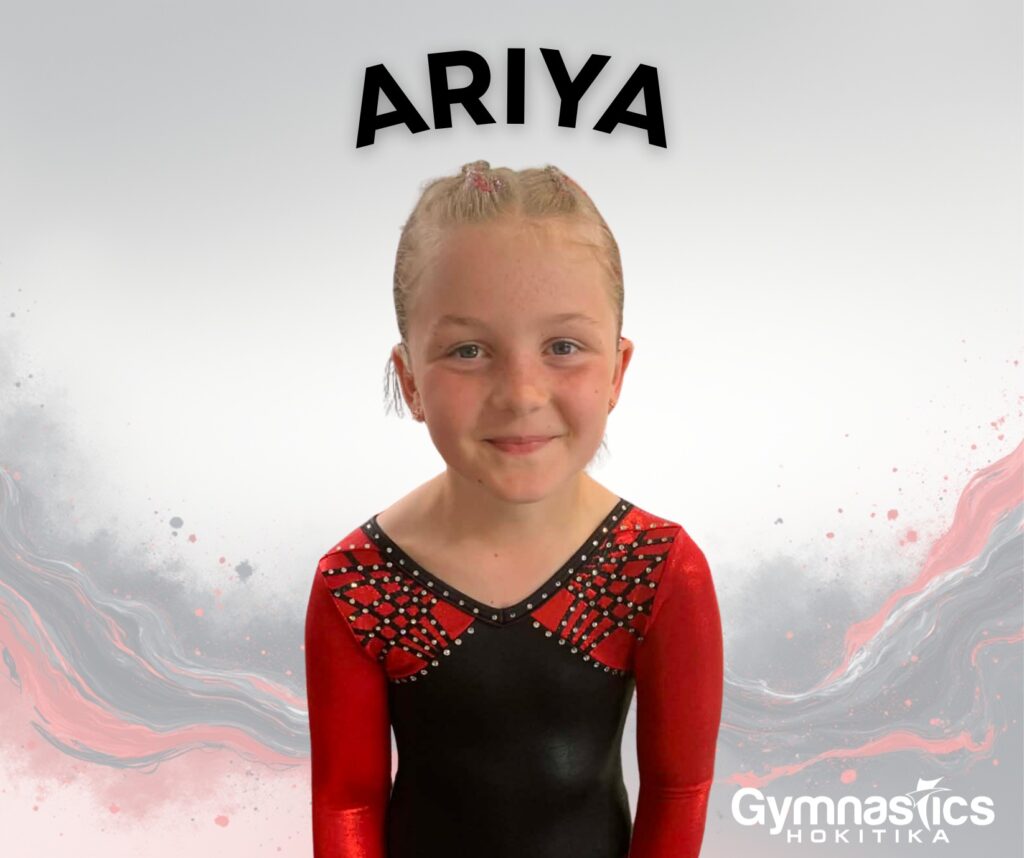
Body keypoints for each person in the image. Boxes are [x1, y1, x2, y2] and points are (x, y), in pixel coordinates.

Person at [304, 159, 724, 858]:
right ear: (409, 380)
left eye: (563, 346)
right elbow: (347, 802)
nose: (522, 393)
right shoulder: (359, 582)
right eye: (469, 350)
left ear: (617, 371)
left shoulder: (658, 568)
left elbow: (679, 792)